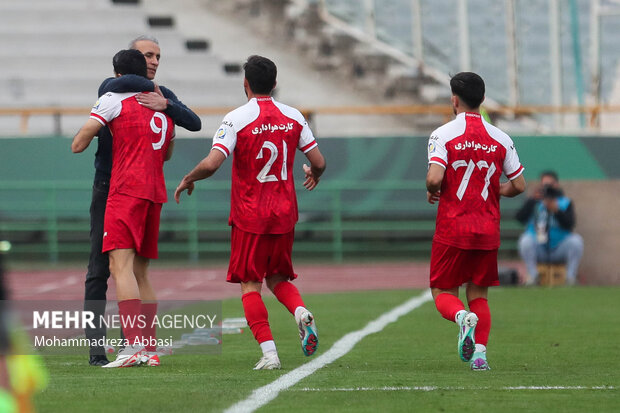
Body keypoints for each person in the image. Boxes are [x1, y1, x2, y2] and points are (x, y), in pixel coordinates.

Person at [174, 55, 326, 370]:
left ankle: (270, 353)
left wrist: (189, 177)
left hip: (250, 215)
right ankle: (300, 312)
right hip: (285, 213)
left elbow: (213, 163)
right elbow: (319, 160)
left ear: (245, 84)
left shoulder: (237, 118)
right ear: (274, 83)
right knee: (279, 278)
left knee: (250, 284)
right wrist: (314, 172)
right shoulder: (294, 116)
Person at [83, 35, 201, 367]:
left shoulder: (161, 95)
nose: (154, 61)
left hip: (137, 185)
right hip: (109, 181)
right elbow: (108, 86)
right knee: (98, 269)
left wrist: (167, 105)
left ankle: (135, 345)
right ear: (133, 60)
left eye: (158, 56)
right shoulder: (113, 90)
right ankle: (96, 348)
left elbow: (193, 121)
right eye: (147, 55)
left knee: (134, 269)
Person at [72, 49, 176, 368]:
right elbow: (168, 152)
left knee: (120, 267)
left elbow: (79, 143)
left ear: (118, 76)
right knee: (141, 272)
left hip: (125, 189)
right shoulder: (162, 107)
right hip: (155, 191)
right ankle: (148, 347)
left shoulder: (114, 100)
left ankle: (131, 347)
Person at [426, 72, 525, 371]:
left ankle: (460, 318)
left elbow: (434, 178)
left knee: (443, 292)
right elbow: (519, 185)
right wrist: (497, 190)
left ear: (454, 100)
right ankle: (480, 355)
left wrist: (433, 190)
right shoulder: (501, 138)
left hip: (453, 228)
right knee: (479, 294)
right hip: (487, 228)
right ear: (482, 100)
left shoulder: (442, 134)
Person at [516, 170, 583, 285]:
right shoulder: (534, 202)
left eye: (550, 184)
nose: (547, 188)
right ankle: (533, 277)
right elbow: (519, 218)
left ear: (556, 185)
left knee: (576, 241)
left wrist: (556, 211)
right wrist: (532, 200)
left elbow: (570, 224)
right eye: (544, 185)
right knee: (525, 241)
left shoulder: (564, 202)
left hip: (559, 247)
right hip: (539, 247)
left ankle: (570, 278)